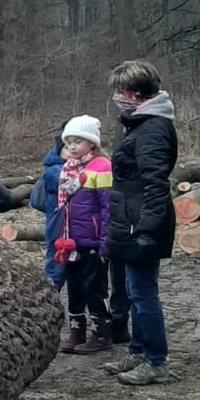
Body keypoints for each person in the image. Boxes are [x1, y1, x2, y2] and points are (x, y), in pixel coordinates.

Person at [103, 60, 179, 386]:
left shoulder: (153, 129)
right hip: (127, 217)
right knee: (133, 292)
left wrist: (147, 229)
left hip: (142, 221)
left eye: (119, 91)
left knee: (144, 293)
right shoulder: (135, 124)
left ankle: (156, 361)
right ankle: (137, 351)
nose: (115, 97)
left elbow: (155, 184)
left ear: (133, 93)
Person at [53, 115, 114, 355]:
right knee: (75, 286)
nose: (72, 147)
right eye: (68, 142)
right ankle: (76, 330)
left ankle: (101, 332)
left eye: (78, 142)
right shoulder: (67, 169)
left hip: (92, 240)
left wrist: (105, 242)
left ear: (92, 143)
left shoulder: (102, 167)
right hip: (70, 241)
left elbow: (108, 207)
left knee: (94, 287)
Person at [29, 130, 66, 290]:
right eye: (67, 146)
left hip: (72, 230)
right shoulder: (54, 171)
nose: (73, 148)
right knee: (55, 273)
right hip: (58, 231)